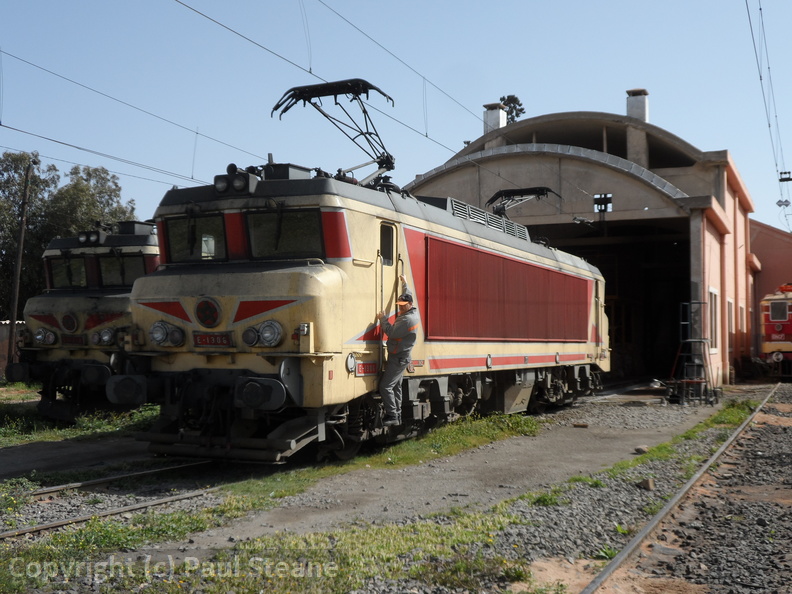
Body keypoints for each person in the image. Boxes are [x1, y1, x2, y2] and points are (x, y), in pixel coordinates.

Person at [376, 275, 419, 426]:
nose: (400, 307)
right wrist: (404, 282)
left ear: (410, 304)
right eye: (400, 304)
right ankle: (398, 415)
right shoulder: (412, 312)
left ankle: (392, 415)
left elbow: (391, 332)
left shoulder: (406, 320)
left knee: (385, 386)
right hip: (402, 356)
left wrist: (382, 318)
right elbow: (409, 293)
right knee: (396, 386)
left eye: (403, 305)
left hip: (398, 357)